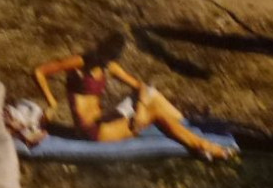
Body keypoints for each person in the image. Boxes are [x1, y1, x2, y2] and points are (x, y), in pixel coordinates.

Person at [30, 31, 234, 160]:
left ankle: (185, 126)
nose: (104, 63)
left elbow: (142, 87)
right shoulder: (79, 62)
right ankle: (202, 145)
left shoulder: (110, 67)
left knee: (151, 95)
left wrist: (140, 110)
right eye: (103, 59)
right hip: (93, 131)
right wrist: (52, 101)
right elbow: (39, 71)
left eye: (108, 60)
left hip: (104, 120)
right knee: (155, 113)